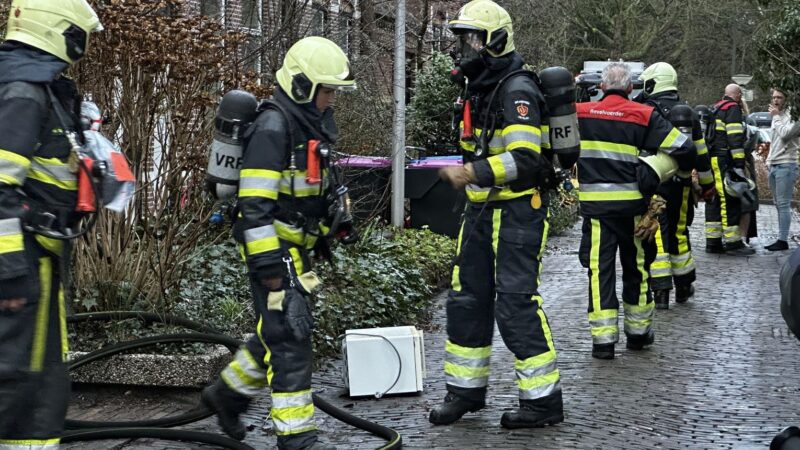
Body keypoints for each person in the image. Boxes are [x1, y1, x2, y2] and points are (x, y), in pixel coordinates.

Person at [200, 36, 356, 450]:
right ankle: (296, 435)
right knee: (290, 335)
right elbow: (254, 206)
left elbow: (306, 192)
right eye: (327, 90)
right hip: (272, 250)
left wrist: (328, 227)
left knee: (277, 331)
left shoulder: (304, 123)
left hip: (294, 249)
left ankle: (226, 395)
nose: (330, 100)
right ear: (303, 85)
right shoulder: (273, 127)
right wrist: (269, 266)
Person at [431, 0, 570, 429]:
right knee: (467, 300)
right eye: (461, 38)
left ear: (495, 40)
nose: (464, 47)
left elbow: (526, 159)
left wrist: (473, 171)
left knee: (514, 304)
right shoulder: (480, 86)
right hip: (479, 211)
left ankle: (543, 402)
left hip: (517, 211)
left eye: (472, 38)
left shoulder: (516, 89)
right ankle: (465, 392)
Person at [0, 1, 103, 448]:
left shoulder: (36, 89)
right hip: (22, 265)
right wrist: (12, 275)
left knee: (38, 382)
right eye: (79, 40)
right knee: (18, 383)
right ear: (60, 34)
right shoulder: (22, 93)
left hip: (37, 260)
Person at [576, 62, 695, 359]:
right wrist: (654, 168)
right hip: (633, 210)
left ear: (602, 87)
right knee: (638, 269)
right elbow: (685, 149)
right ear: (631, 88)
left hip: (597, 212)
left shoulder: (580, 113)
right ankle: (638, 335)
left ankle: (603, 343)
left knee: (599, 273)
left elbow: (557, 146)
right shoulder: (643, 115)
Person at [635, 62, 715, 309]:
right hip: (680, 184)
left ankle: (660, 292)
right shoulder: (688, 113)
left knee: (655, 234)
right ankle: (683, 285)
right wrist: (707, 184)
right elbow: (701, 154)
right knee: (679, 233)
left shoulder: (645, 110)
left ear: (652, 82)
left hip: (654, 183)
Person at [705, 84, 754, 255]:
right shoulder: (732, 109)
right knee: (729, 199)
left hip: (713, 159)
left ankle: (713, 241)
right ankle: (733, 242)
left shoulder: (716, 107)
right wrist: (739, 163)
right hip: (725, 160)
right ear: (738, 95)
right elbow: (734, 138)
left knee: (715, 199)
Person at [765, 87, 799, 251]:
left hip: (786, 164)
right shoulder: (776, 115)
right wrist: (769, 160)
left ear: (787, 99)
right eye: (774, 97)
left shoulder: (794, 116)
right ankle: (781, 237)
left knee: (784, 204)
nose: (775, 100)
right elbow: (775, 141)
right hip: (774, 164)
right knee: (778, 203)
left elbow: (786, 134)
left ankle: (782, 240)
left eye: (779, 97)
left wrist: (777, 117)